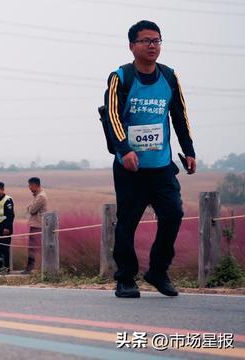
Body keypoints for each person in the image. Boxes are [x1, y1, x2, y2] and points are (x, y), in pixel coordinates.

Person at [105, 21, 195, 298]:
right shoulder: (121, 77)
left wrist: (188, 149)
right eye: (145, 41)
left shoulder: (169, 77)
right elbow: (112, 117)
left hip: (162, 168)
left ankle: (158, 270)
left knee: (173, 215)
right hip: (130, 169)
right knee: (127, 223)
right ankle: (125, 278)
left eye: (157, 40)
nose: (152, 45)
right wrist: (124, 150)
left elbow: (179, 115)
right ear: (132, 46)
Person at [24, 177, 47, 274]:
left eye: (30, 185)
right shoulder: (37, 196)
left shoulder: (40, 197)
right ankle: (31, 267)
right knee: (32, 247)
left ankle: (31, 268)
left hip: (37, 225)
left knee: (33, 247)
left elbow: (31, 210)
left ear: (35, 185)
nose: (29, 187)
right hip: (36, 224)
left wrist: (29, 207)